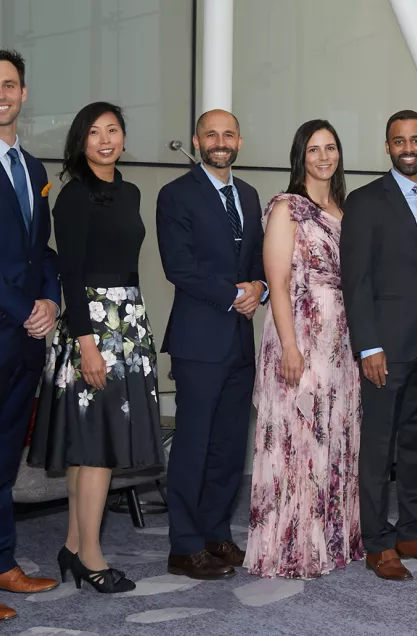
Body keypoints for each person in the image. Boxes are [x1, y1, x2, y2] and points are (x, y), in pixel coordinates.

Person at [28, 102, 162, 594]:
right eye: (94, 132)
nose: (105, 140)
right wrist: (87, 345)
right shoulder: (73, 195)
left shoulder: (130, 191)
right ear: (80, 142)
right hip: (93, 330)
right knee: (97, 449)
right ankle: (91, 558)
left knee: (91, 449)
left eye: (113, 130)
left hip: (128, 326)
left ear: (123, 137)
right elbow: (71, 274)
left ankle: (72, 546)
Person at [340, 110, 417, 581]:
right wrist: (368, 346)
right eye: (398, 141)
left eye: (415, 140)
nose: (407, 148)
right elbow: (356, 280)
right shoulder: (365, 201)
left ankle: (411, 530)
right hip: (386, 346)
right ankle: (377, 541)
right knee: (378, 444)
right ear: (387, 146)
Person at [245, 120, 363, 579]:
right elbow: (276, 283)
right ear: (300, 156)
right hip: (299, 336)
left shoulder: (346, 209)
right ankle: (291, 546)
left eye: (330, 147)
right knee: (299, 437)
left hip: (341, 342)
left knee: (334, 435)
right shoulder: (286, 208)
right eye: (314, 149)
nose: (323, 156)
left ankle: (329, 541)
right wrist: (290, 346)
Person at [157, 108, 268, 580]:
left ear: (239, 140)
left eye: (228, 134)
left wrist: (260, 288)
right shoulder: (175, 194)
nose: (220, 142)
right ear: (196, 141)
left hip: (241, 340)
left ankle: (216, 534)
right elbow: (178, 267)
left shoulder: (249, 194)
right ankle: (184, 546)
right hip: (198, 341)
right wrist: (234, 295)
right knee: (193, 446)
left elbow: (259, 257)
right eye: (211, 135)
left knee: (228, 446)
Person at [0, 48, 59, 619]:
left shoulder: (35, 169)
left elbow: (42, 250)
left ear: (23, 93)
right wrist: (25, 308)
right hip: (6, 323)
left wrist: (51, 302)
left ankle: (3, 564)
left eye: (9, 84)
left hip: (25, 339)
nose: (2, 93)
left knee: (3, 460)